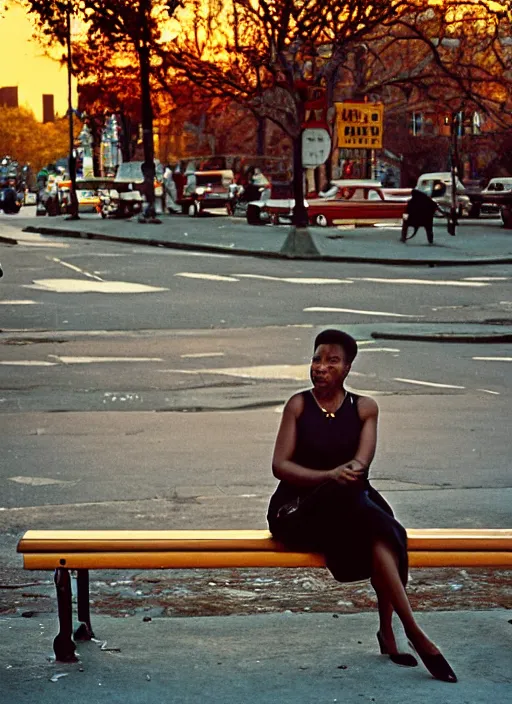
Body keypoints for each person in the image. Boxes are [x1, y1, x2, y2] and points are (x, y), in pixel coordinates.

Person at [267, 329, 457, 683]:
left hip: (351, 502)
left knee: (374, 524)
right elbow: (280, 466)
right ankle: (411, 631)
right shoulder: (298, 405)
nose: (321, 367)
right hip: (297, 511)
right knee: (380, 523)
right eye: (316, 359)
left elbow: (360, 466)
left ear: (348, 367)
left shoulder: (365, 408)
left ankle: (392, 630)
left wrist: (343, 475)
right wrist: (329, 474)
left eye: (331, 361)